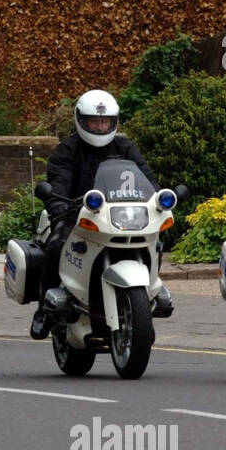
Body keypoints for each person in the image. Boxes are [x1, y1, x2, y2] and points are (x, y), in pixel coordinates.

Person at [30, 89, 158, 339]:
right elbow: (60, 179)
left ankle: (150, 293)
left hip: (120, 216)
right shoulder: (68, 149)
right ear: (81, 121)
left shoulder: (124, 147)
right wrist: (57, 201)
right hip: (78, 216)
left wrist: (158, 198)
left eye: (105, 122)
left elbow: (147, 178)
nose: (100, 127)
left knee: (155, 244)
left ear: (113, 122)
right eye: (94, 121)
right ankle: (43, 309)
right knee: (56, 245)